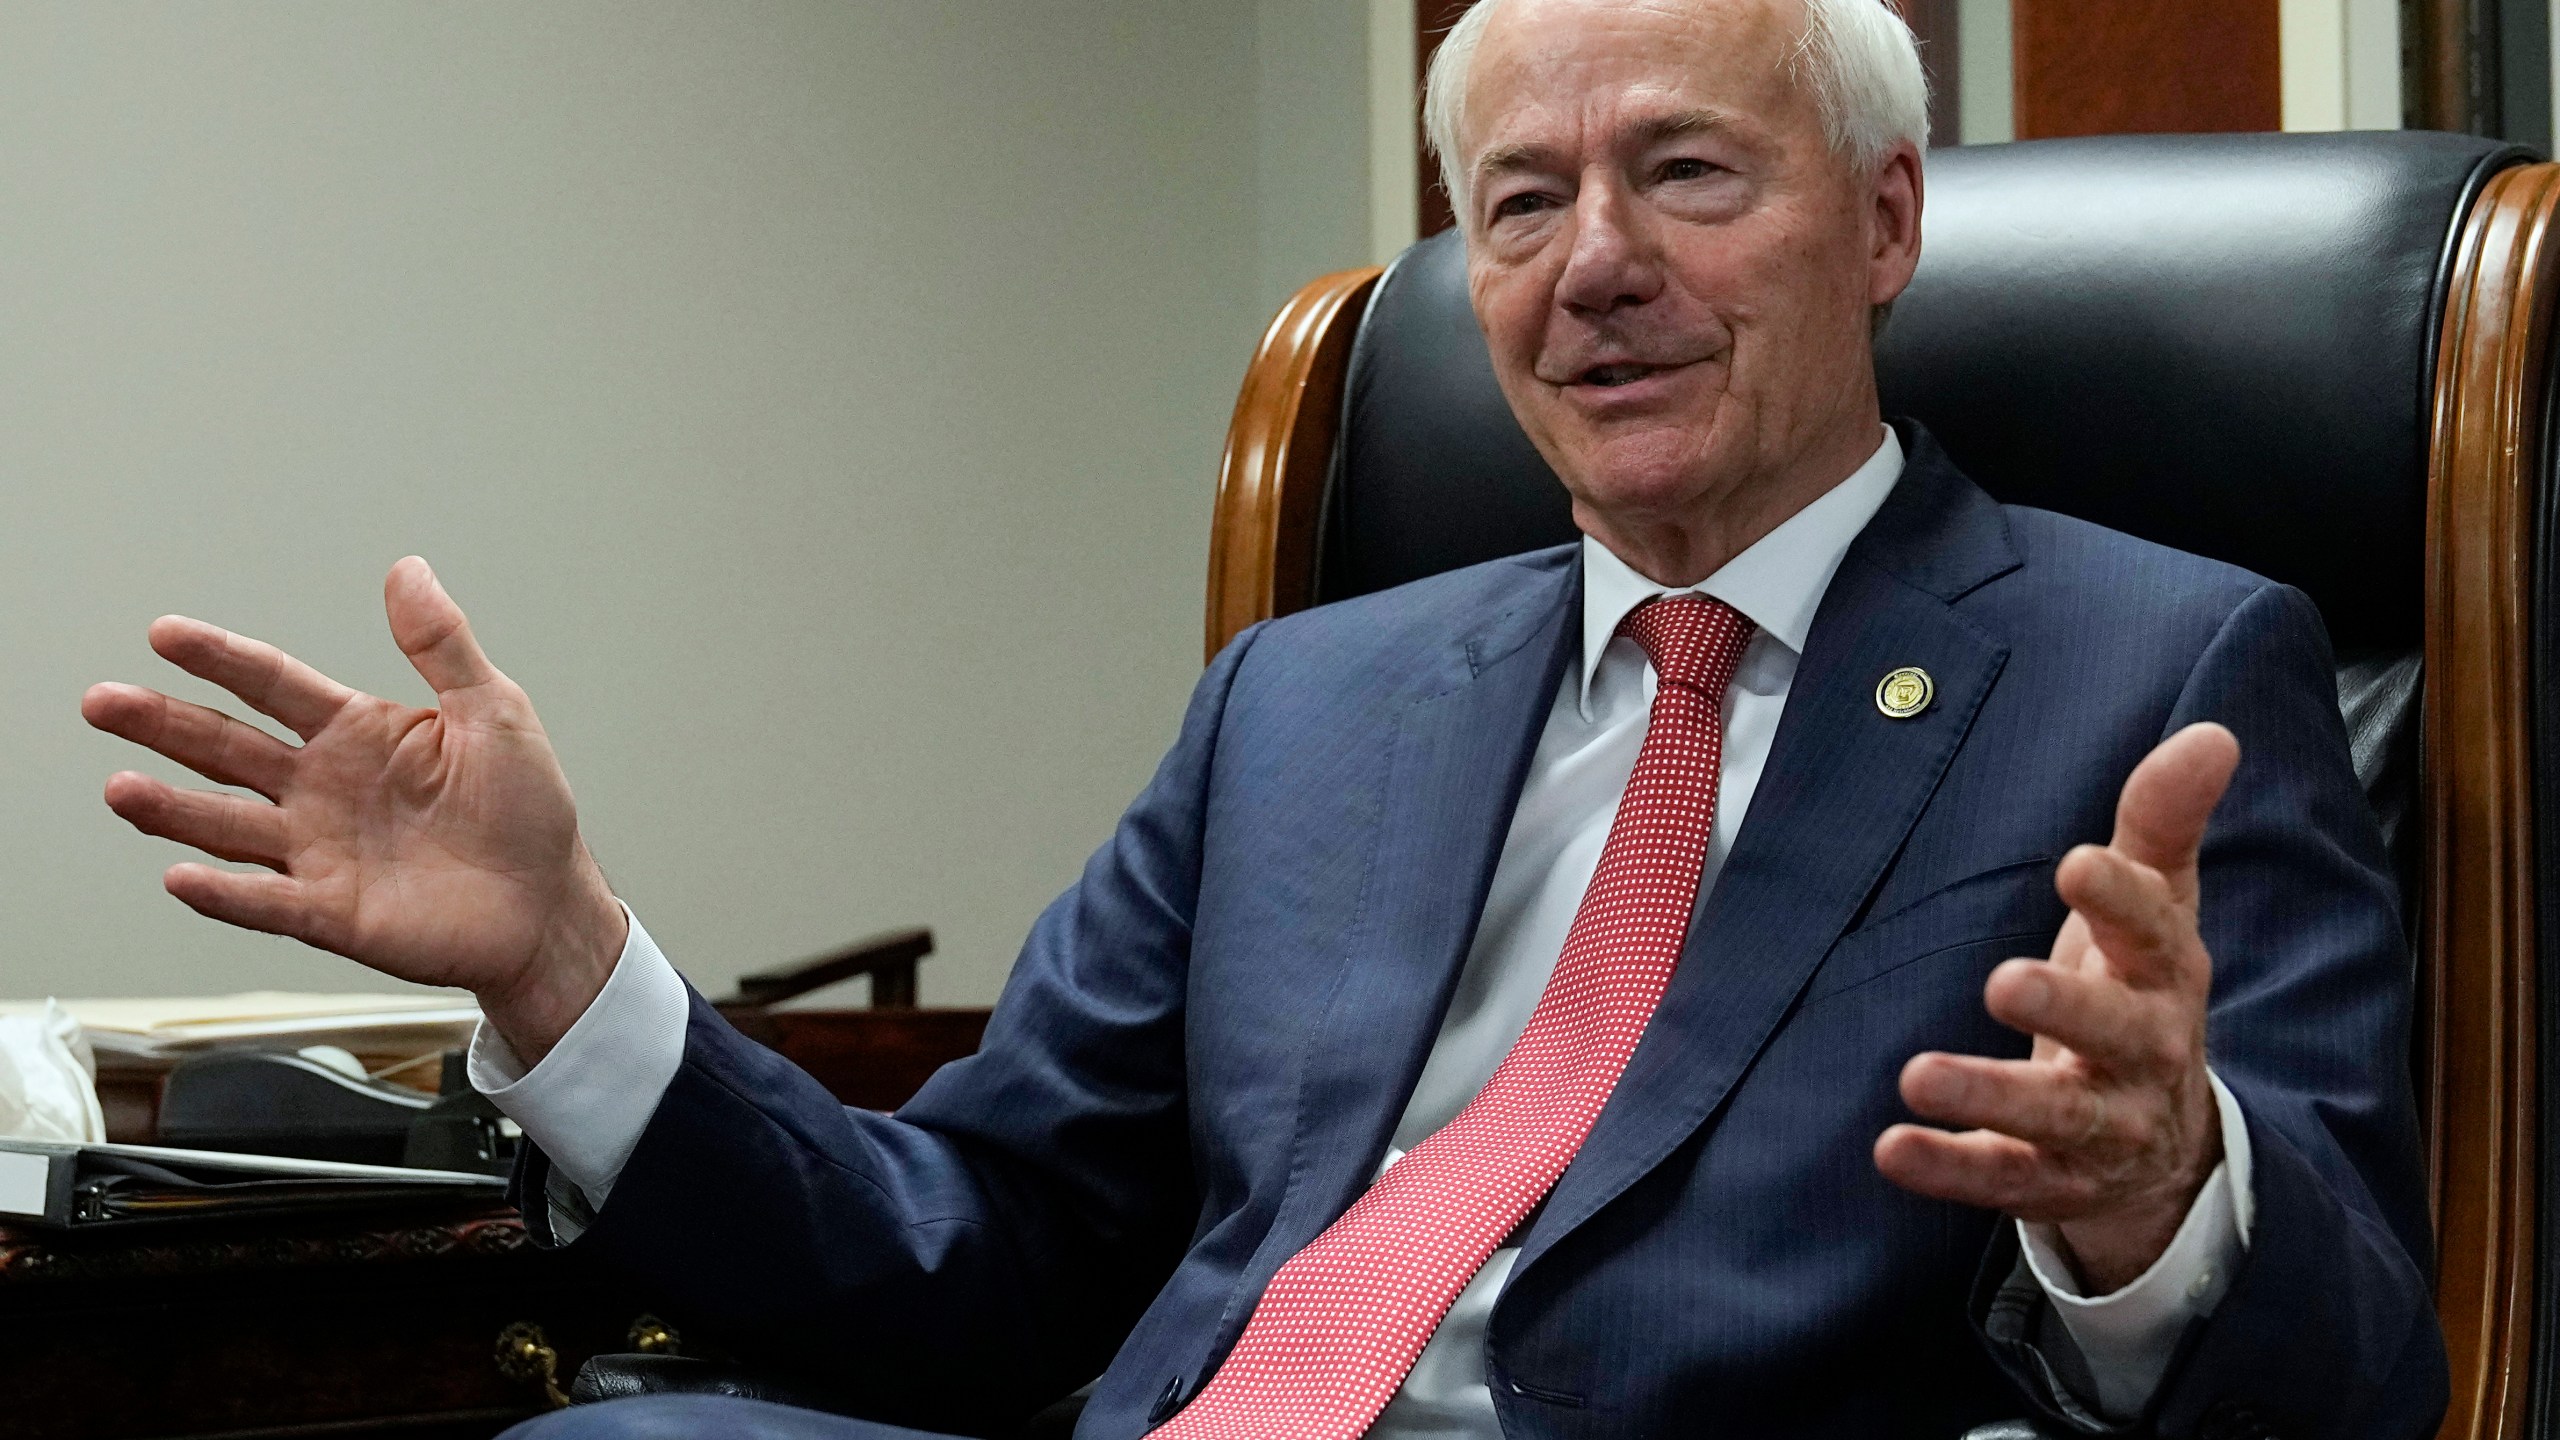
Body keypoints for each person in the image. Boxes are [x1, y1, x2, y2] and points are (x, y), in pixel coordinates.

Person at [81, 0, 2444, 1435]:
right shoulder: (1302, 706)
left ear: (1886, 225)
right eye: (1516, 204)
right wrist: (560, 967)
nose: (1589, 262)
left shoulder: (2160, 673)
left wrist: (2158, 1208)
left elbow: (2349, 1376)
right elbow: (970, 1253)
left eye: (1686, 176)